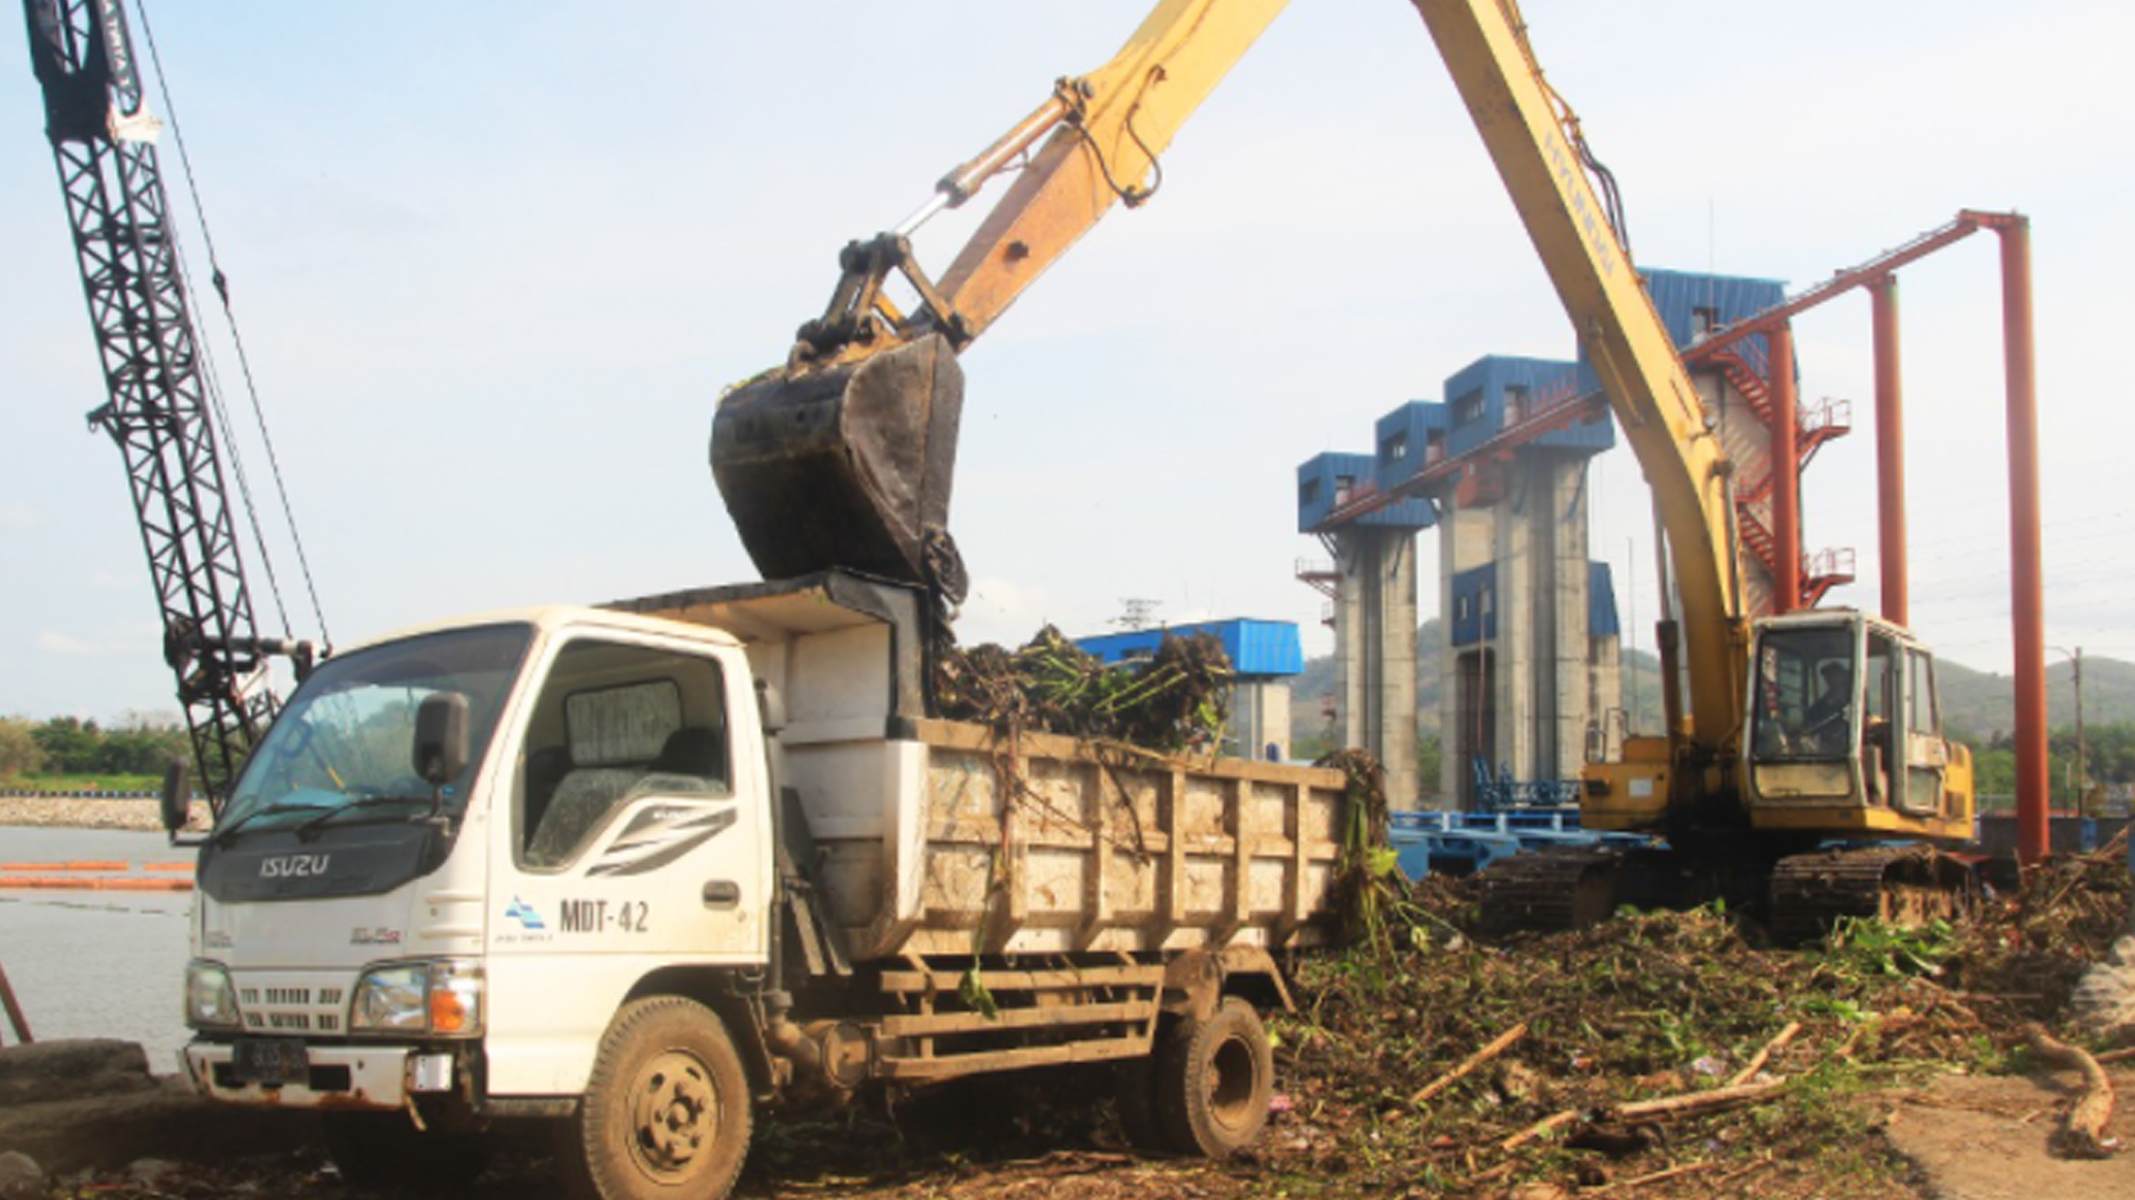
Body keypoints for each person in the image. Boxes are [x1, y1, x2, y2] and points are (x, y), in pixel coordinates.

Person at [1799, 661, 1853, 751]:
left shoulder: (1854, 701)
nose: (1830, 681)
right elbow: (1810, 719)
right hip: (1825, 748)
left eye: (1834, 676)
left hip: (1848, 746)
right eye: (1828, 678)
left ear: (1843, 677)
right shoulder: (1822, 704)